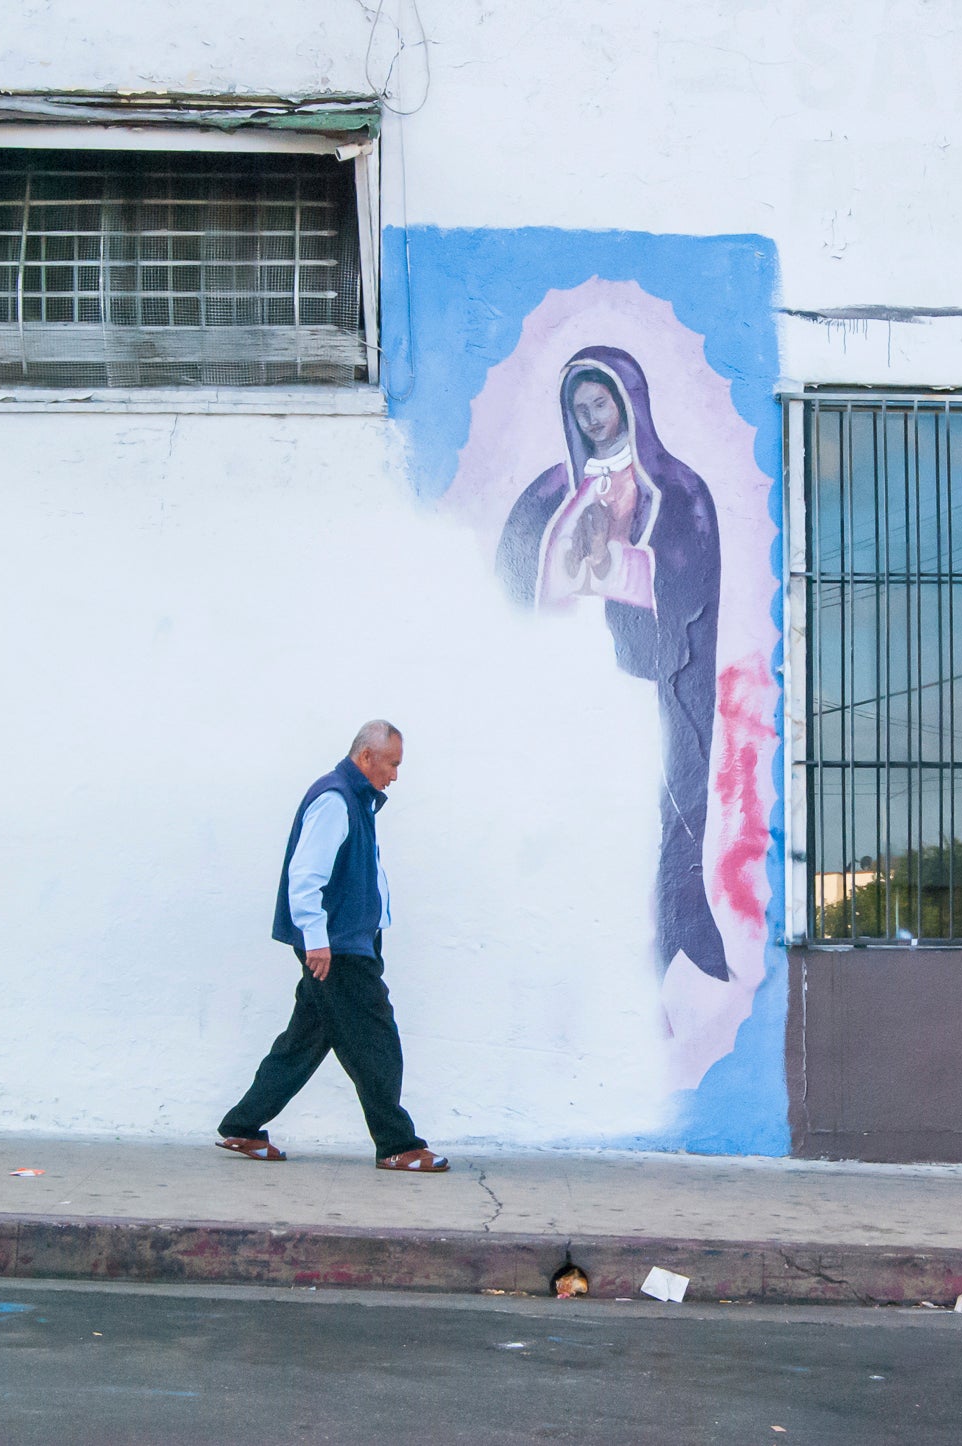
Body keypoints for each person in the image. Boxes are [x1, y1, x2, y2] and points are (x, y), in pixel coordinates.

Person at [495, 347, 730, 982]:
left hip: (639, 681)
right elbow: (513, 576)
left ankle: (666, 939)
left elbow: (690, 585)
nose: (595, 418)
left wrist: (619, 567)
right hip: (576, 681)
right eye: (582, 409)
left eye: (602, 403)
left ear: (629, 403)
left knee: (638, 813)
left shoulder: (678, 489)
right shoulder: (553, 488)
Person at [215, 720, 447, 1173]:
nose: (395, 775)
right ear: (366, 757)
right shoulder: (335, 799)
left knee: (302, 1043)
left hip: (346, 942)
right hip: (337, 949)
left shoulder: (354, 800)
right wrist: (317, 942)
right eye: (392, 764)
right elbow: (306, 878)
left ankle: (242, 1127)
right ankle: (397, 1143)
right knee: (377, 1043)